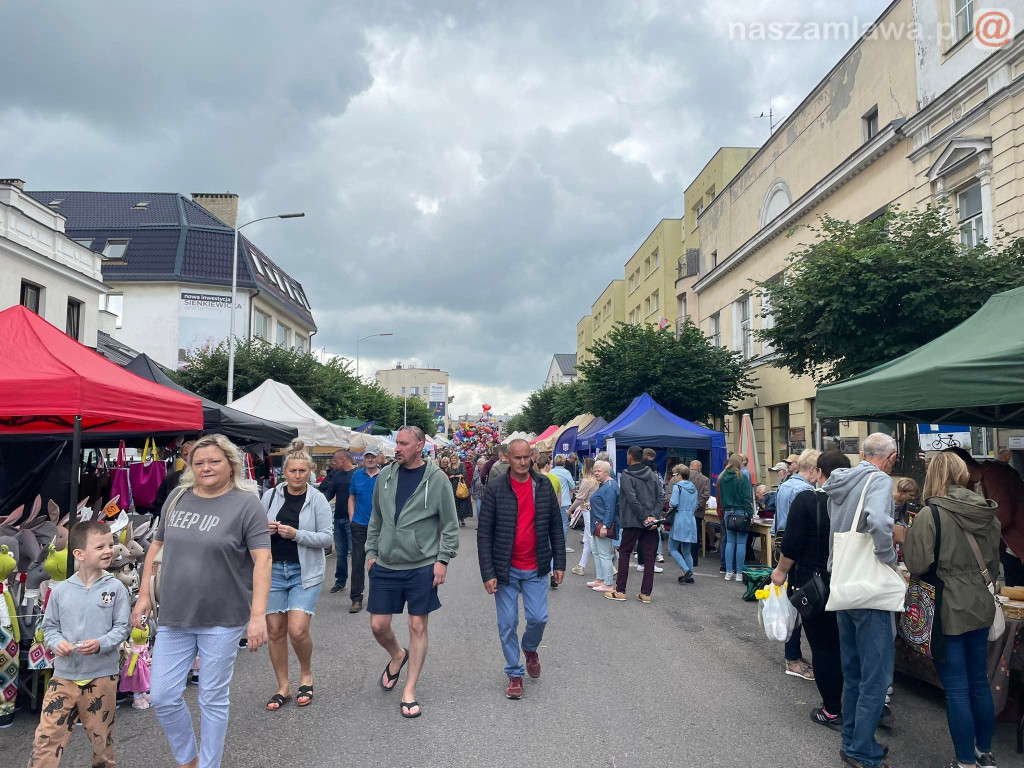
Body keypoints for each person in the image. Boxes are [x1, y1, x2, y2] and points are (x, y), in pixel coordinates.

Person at [134, 433, 271, 768]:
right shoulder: (178, 497)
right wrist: (143, 595)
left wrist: (258, 616)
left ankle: (210, 765)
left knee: (212, 698)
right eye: (198, 462)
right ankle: (188, 759)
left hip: (223, 616)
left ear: (230, 464)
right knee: (163, 696)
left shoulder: (246, 504)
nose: (206, 467)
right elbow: (156, 546)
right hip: (175, 613)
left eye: (214, 461)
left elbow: (263, 560)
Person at [904, 453, 1000, 768]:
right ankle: (984, 753)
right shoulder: (987, 512)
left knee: (957, 689)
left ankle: (964, 761)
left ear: (934, 475)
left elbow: (917, 564)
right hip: (979, 604)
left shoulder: (931, 514)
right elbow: (993, 565)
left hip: (947, 607)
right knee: (980, 682)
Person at [365, 426, 459, 719]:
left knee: (417, 626)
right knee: (378, 625)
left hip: (421, 565)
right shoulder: (385, 476)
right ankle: (397, 654)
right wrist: (371, 553)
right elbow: (376, 518)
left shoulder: (437, 479)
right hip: (386, 564)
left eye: (404, 444)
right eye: (397, 443)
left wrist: (443, 559)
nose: (397, 448)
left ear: (419, 446)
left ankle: (409, 690)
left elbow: (450, 525)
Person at [822, 432, 899, 768]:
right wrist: (888, 559)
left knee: (853, 671)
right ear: (890, 457)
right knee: (876, 677)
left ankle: (853, 741)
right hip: (869, 588)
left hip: (844, 582)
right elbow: (880, 522)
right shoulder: (879, 480)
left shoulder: (840, 481)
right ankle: (861, 749)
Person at [28, 521, 130, 768]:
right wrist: (57, 643)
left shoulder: (116, 588)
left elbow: (123, 628)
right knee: (45, 738)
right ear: (79, 554)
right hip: (63, 676)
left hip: (102, 676)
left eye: (110, 545)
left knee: (102, 743)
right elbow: (50, 627)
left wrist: (101, 643)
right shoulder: (61, 590)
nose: (109, 551)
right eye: (100, 547)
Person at [477, 438, 564, 699]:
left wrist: (559, 562)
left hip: (536, 566)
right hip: (505, 569)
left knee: (538, 618)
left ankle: (530, 647)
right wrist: (488, 573)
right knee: (507, 623)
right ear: (507, 458)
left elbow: (555, 527)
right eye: (518, 458)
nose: (523, 462)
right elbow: (484, 534)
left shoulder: (543, 486)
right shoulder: (495, 488)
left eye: (527, 457)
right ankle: (515, 673)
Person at [771, 451, 850, 731]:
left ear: (819, 472)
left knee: (825, 647)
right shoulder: (855, 501)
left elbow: (791, 544)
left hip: (816, 586)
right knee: (849, 646)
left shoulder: (809, 500)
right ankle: (861, 707)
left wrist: (780, 571)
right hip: (852, 583)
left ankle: (832, 710)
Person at [261, 441, 333, 711]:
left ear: (310, 472)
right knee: (275, 631)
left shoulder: (317, 499)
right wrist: (265, 529)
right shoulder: (270, 496)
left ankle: (306, 674)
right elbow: (253, 532)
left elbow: (327, 538)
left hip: (305, 572)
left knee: (298, 630)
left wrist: (296, 534)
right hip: (273, 571)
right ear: (285, 471)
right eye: (293, 470)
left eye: (303, 470)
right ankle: (283, 687)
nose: (298, 475)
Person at [773, 449, 821, 681]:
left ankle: (793, 655)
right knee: (799, 602)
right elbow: (800, 528)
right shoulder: (804, 491)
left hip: (782, 545)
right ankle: (792, 658)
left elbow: (778, 520)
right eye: (820, 471)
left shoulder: (785, 485)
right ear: (813, 470)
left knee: (792, 601)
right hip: (797, 552)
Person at [947, 446, 1024, 587]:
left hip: (1018, 549)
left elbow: (1003, 517)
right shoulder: (975, 482)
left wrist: (972, 533)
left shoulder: (994, 474)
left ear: (961, 467)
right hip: (1011, 551)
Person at [606, 446, 662, 603]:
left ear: (630, 456)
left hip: (632, 521)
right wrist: (653, 517)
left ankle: (620, 590)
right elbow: (661, 497)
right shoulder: (652, 475)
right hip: (650, 522)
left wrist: (644, 517)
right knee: (649, 556)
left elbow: (632, 499)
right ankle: (646, 593)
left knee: (624, 553)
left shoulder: (626, 475)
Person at [347, 446, 381, 614]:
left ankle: (377, 597)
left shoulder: (384, 475)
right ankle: (356, 598)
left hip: (379, 526)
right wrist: (352, 517)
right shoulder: (357, 475)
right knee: (358, 562)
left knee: (378, 563)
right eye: (367, 456)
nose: (370, 459)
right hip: (359, 524)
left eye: (373, 457)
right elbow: (351, 498)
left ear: (378, 458)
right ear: (363, 458)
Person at [319, 449, 356, 595]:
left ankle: (357, 585)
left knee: (356, 553)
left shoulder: (357, 474)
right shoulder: (337, 475)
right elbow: (329, 493)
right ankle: (340, 581)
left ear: (344, 459)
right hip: (338, 518)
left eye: (336, 460)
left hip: (353, 519)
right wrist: (318, 503)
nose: (334, 463)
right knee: (341, 553)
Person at [717, 454, 754, 582]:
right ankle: (738, 573)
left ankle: (728, 572)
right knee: (741, 543)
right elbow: (746, 498)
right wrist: (750, 514)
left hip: (728, 511)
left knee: (730, 542)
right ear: (740, 463)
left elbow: (721, 497)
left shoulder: (722, 477)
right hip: (741, 511)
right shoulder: (742, 477)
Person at [589, 460, 619, 592]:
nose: (596, 473)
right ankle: (600, 579)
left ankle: (608, 584)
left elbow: (610, 508)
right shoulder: (605, 485)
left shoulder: (610, 486)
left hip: (603, 524)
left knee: (604, 554)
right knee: (597, 552)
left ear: (607, 472)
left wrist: (605, 526)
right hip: (598, 524)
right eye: (595, 470)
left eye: (599, 471)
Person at [667, 465, 698, 584]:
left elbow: (674, 503)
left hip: (679, 519)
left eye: (675, 474)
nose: (674, 477)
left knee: (672, 548)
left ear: (679, 475)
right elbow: (695, 505)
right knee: (687, 551)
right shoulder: (693, 488)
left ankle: (686, 570)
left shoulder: (677, 487)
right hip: (690, 518)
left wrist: (670, 504)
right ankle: (690, 576)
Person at [568, 458, 598, 576]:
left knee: (590, 540)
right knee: (588, 540)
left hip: (587, 510)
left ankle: (610, 568)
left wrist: (570, 510)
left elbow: (579, 498)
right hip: (594, 510)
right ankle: (581, 566)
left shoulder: (586, 481)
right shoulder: (596, 480)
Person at [153, 440, 194, 520]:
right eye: (186, 454)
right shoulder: (169, 479)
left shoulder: (206, 478)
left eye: (192, 453)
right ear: (181, 456)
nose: (189, 457)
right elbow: (159, 506)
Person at [550, 455, 577, 554]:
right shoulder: (566, 472)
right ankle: (563, 546)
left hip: (552, 501)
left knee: (552, 524)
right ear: (564, 462)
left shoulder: (551, 472)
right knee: (563, 524)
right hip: (564, 501)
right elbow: (572, 486)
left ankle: (552, 545)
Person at [689, 460, 711, 565]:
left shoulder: (684, 476)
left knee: (684, 533)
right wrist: (697, 505)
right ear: (700, 468)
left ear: (690, 466)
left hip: (684, 511)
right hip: (697, 512)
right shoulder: (705, 479)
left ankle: (682, 556)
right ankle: (693, 559)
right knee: (695, 534)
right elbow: (705, 495)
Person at [445, 457, 473, 527]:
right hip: (452, 486)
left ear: (457, 459)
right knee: (454, 503)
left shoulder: (461, 465)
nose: (453, 460)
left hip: (460, 485)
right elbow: (447, 475)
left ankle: (462, 519)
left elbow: (464, 474)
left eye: (454, 458)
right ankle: (456, 519)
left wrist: (455, 476)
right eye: (452, 458)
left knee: (461, 502)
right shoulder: (449, 467)